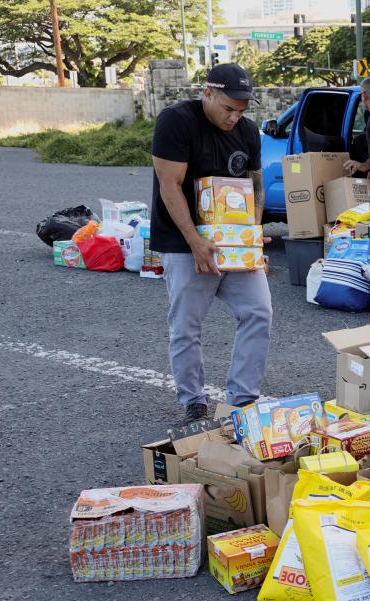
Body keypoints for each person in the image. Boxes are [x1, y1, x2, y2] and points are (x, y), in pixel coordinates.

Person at [150, 63, 272, 424]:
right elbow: (169, 185)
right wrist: (195, 242)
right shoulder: (176, 121)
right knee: (186, 325)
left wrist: (253, 236)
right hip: (183, 240)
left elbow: (256, 187)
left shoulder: (248, 131)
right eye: (228, 108)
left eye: (242, 110)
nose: (235, 117)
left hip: (234, 243)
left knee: (258, 311)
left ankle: (241, 400)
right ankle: (194, 401)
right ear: (207, 93)